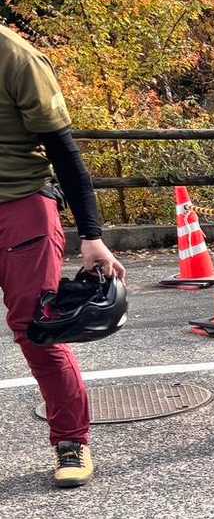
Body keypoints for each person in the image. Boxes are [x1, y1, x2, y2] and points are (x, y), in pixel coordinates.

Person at [0, 24, 124, 489]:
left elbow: (63, 150)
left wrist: (91, 235)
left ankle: (71, 440)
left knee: (37, 330)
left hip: (20, 207)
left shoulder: (16, 57)